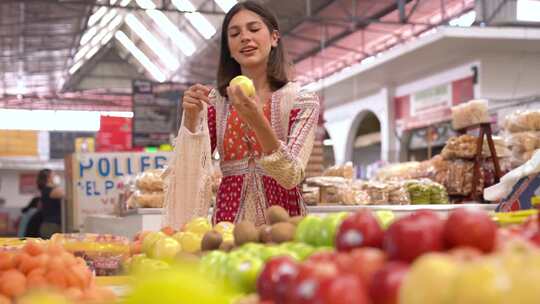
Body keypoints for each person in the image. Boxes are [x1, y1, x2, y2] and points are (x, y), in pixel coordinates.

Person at [166, 1, 320, 226]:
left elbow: (290, 175)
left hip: (284, 226)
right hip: (227, 228)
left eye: (254, 29)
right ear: (229, 48)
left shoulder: (301, 100)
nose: (245, 37)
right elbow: (188, 175)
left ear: (274, 37)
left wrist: (257, 119)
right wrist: (190, 120)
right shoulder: (217, 103)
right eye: (235, 33)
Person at [36, 169, 64, 238]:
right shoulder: (50, 191)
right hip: (51, 226)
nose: (56, 177)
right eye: (54, 175)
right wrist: (58, 184)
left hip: (49, 225)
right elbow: (65, 194)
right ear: (48, 178)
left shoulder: (46, 190)